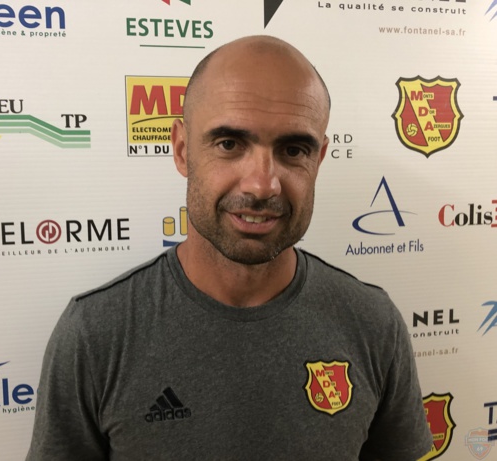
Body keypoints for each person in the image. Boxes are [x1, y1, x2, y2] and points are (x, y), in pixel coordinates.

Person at [26, 35, 432, 460]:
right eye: (229, 144)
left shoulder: (373, 322)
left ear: (319, 159)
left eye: (294, 150)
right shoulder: (95, 334)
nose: (262, 185)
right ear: (182, 150)